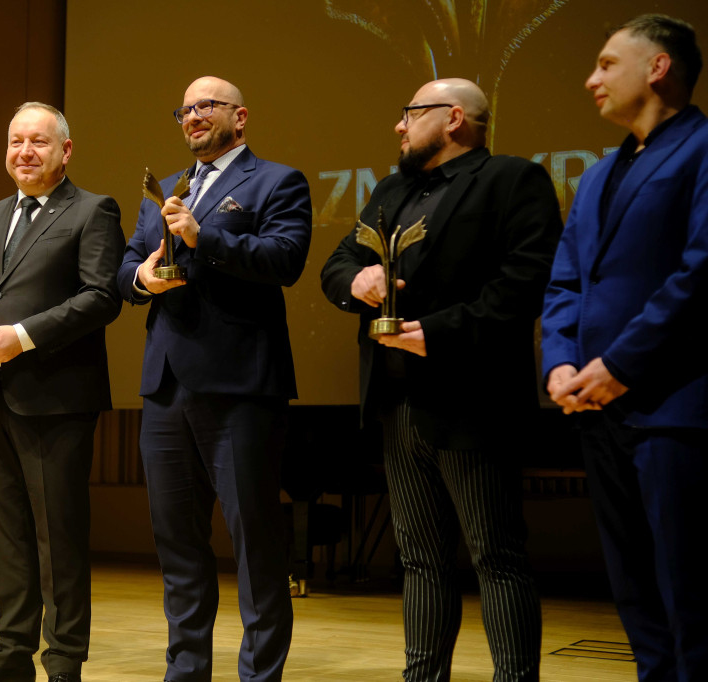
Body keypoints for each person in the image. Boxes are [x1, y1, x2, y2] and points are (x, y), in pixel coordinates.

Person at [321, 79, 562, 681]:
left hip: (471, 398)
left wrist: (439, 331)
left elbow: (524, 282)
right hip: (396, 400)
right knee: (420, 560)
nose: (399, 127)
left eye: (411, 114)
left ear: (454, 118)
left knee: (497, 557)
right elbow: (337, 263)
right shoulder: (392, 188)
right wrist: (359, 282)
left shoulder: (512, 180)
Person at [117, 76, 311, 682]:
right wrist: (143, 280)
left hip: (241, 388)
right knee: (177, 543)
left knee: (254, 542)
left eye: (208, 106)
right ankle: (187, 671)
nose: (194, 115)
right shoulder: (167, 187)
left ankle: (259, 674)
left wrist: (206, 238)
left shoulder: (278, 180)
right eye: (186, 108)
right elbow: (127, 263)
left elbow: (286, 259)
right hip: (167, 385)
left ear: (240, 117)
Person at [542, 14, 708, 681]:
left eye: (608, 64)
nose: (591, 79)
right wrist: (559, 361)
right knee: (633, 588)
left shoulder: (701, 147)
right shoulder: (601, 172)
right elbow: (566, 279)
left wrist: (620, 363)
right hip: (598, 409)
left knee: (690, 588)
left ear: (658, 67)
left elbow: (700, 271)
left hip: (675, 406)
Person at [0, 102, 124, 682]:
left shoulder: (93, 210)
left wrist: (21, 337)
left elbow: (101, 296)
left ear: (65, 151)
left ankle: (64, 657)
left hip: (57, 398)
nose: (25, 152)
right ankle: (12, 650)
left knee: (59, 535)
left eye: (38, 142)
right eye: (16, 141)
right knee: (7, 534)